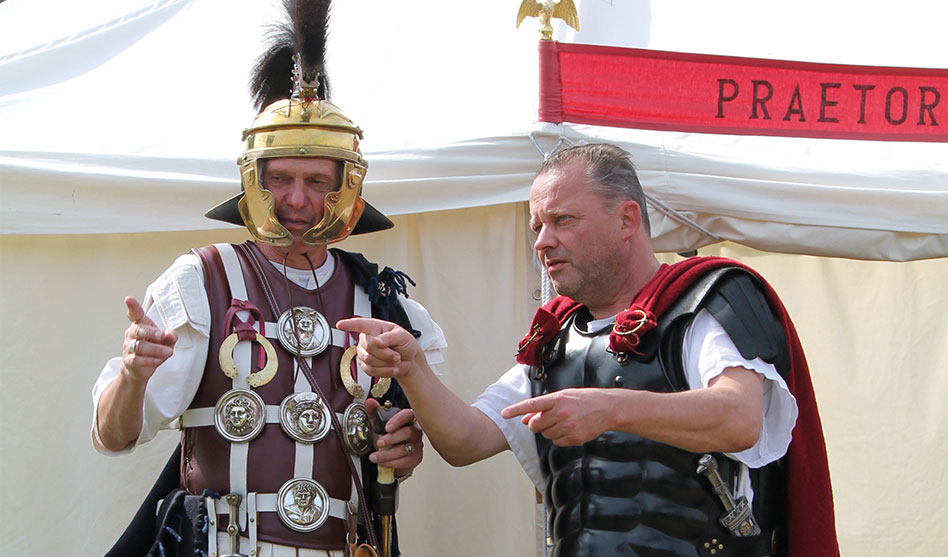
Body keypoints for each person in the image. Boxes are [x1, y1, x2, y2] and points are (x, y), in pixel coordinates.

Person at [339, 143, 838, 556]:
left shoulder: (704, 302)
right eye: (537, 225)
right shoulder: (555, 339)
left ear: (626, 219)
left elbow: (739, 417)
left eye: (563, 220)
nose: (542, 241)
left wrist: (610, 407)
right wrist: (413, 367)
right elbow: (465, 441)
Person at [90, 2, 445, 556]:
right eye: (279, 178)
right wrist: (133, 376)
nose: (296, 200)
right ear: (253, 182)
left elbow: (420, 438)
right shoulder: (202, 281)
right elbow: (113, 437)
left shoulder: (384, 304)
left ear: (346, 188)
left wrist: (404, 447)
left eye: (314, 180)